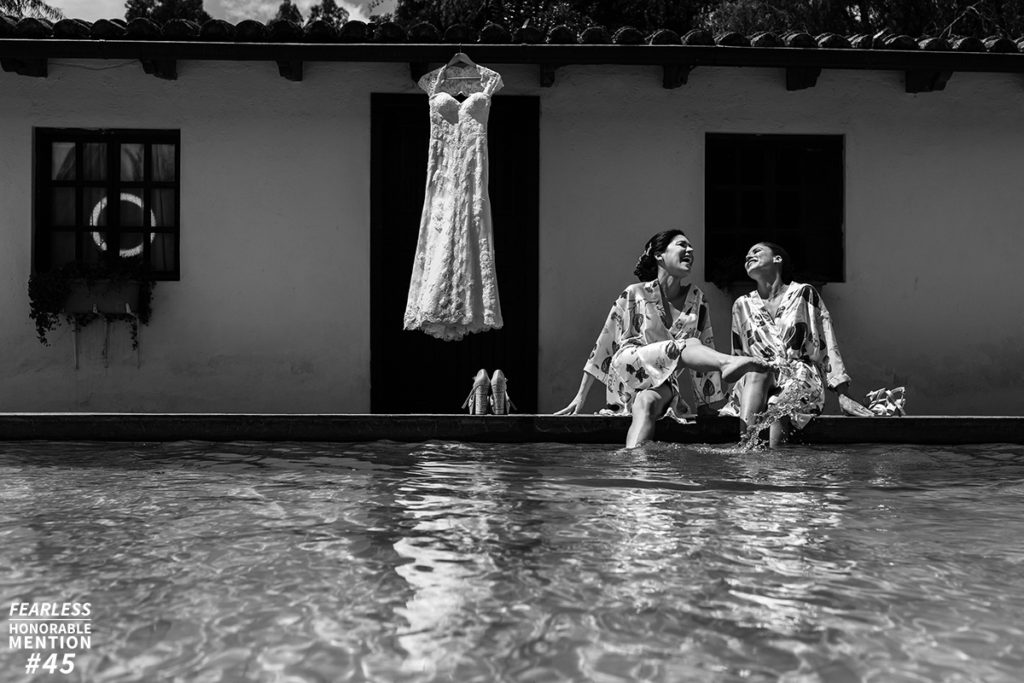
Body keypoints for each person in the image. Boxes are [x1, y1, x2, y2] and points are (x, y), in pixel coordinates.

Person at [556, 230, 769, 448]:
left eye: (691, 247)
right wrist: (580, 396)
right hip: (629, 367)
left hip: (663, 379)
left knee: (647, 403)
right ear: (659, 255)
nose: (690, 250)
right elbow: (603, 345)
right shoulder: (634, 293)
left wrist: (705, 404)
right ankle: (727, 362)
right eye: (681, 245)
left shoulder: (697, 299)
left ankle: (635, 465)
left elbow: (706, 344)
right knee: (689, 343)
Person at [720, 242, 873, 447]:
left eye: (756, 252)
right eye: (746, 256)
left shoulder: (804, 293)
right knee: (755, 374)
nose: (749, 257)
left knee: (778, 407)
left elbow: (827, 340)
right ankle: (746, 456)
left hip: (798, 375)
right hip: (758, 378)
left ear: (778, 259)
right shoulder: (741, 304)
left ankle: (778, 471)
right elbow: (737, 355)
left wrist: (842, 394)